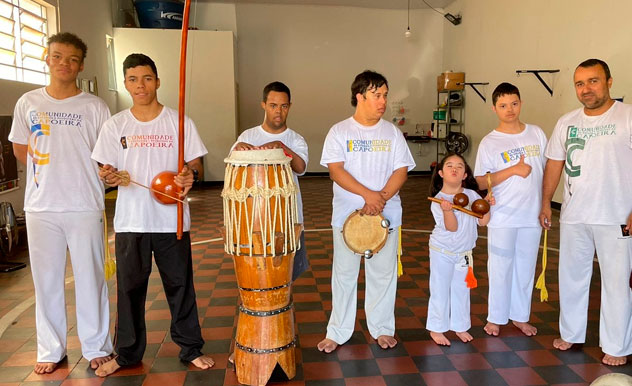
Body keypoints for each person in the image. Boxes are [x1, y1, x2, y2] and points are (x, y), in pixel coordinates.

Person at [91, 53, 214, 376]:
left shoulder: (180, 121)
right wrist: (108, 174)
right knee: (129, 289)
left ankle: (190, 348)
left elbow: (196, 165)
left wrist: (190, 175)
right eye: (132, 79)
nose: (140, 85)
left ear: (157, 81)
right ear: (126, 84)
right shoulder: (115, 125)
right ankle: (128, 353)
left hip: (171, 220)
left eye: (146, 78)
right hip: (131, 222)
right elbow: (104, 167)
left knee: (180, 286)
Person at [540, 59, 632, 366]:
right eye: (579, 83)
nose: (586, 89)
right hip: (575, 214)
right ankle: (571, 333)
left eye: (593, 81)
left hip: (617, 216)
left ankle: (616, 346)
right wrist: (545, 203)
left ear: (608, 81)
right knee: (571, 278)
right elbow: (554, 163)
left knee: (618, 282)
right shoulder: (566, 121)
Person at [8, 32, 113, 374]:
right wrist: (49, 174)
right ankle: (50, 349)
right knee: (47, 280)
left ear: (81, 65)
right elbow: (20, 148)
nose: (63, 64)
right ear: (47, 58)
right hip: (41, 208)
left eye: (71, 59)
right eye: (57, 56)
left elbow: (106, 154)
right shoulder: (28, 103)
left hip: (85, 205)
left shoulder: (94, 106)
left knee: (91, 278)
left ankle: (97, 345)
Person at [317, 70, 415, 352]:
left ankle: (382, 328)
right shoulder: (340, 131)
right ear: (360, 97)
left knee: (383, 275)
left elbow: (401, 170)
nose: (383, 101)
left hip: (386, 215)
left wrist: (380, 198)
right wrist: (367, 195)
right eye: (377, 95)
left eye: (385, 95)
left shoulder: (392, 132)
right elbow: (336, 171)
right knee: (344, 274)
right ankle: (338, 331)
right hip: (348, 217)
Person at [474, 83, 547, 337]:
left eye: (514, 103)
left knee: (526, 267)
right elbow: (481, 181)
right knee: (500, 267)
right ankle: (495, 317)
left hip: (532, 214)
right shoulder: (490, 142)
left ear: (521, 103)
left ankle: (520, 316)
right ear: (495, 108)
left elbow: (547, 171)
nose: (510, 110)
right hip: (503, 214)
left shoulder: (536, 133)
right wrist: (513, 170)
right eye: (503, 105)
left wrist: (546, 204)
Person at [230, 81, 309, 279]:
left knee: (286, 276)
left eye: (284, 106)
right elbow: (229, 171)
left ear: (289, 107)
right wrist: (238, 152)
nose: (279, 111)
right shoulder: (248, 136)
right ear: (263, 105)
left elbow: (300, 168)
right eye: (273, 105)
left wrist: (281, 147)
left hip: (288, 219)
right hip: (253, 220)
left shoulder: (296, 139)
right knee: (256, 277)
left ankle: (286, 309)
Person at [427, 153, 491, 345]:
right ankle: (437, 328)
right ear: (440, 173)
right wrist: (448, 211)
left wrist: (486, 206)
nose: (454, 169)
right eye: (449, 166)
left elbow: (483, 222)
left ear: (464, 175)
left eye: (459, 166)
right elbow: (452, 227)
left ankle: (460, 326)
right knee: (440, 289)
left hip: (464, 253)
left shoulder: (472, 195)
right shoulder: (439, 200)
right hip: (442, 251)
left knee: (462, 291)